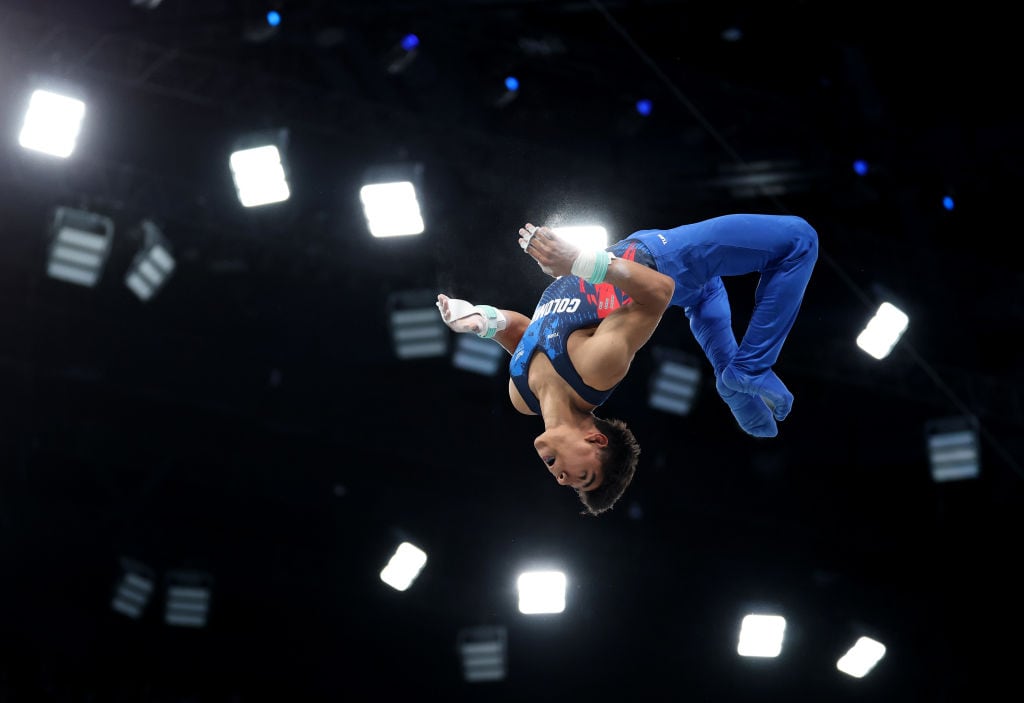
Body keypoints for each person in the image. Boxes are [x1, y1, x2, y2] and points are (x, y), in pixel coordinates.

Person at [436, 213, 818, 516]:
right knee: (799, 240)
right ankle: (747, 369)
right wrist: (578, 260)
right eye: (581, 478)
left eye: (566, 483)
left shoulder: (521, 396)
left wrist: (484, 322)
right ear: (596, 439)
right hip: (664, 260)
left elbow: (528, 333)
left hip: (658, 269)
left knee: (704, 294)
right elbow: (659, 293)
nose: (561, 479)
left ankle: (732, 381)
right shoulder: (596, 368)